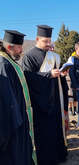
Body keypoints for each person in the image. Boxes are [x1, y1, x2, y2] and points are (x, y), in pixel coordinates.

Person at [22, 25, 68, 165]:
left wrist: (61, 74)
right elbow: (28, 78)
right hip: (40, 104)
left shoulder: (53, 56)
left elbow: (56, 76)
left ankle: (60, 155)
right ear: (37, 39)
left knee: (56, 131)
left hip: (55, 100)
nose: (48, 44)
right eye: (45, 41)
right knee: (45, 134)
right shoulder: (29, 56)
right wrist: (48, 74)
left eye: (49, 41)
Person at [0, 30, 36, 165]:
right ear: (9, 47)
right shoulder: (3, 64)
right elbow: (7, 100)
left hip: (21, 116)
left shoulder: (10, 62)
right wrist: (18, 121)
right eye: (19, 47)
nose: (21, 50)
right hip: (14, 122)